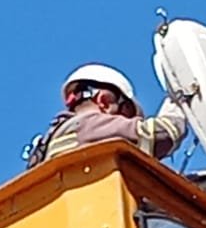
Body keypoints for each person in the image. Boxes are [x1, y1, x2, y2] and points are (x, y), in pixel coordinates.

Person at [27, 64, 189, 166]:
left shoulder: (51, 144)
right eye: (127, 113)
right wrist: (180, 99)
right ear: (104, 101)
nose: (130, 121)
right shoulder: (89, 126)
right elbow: (160, 135)